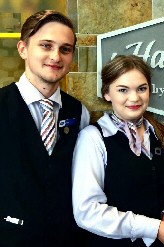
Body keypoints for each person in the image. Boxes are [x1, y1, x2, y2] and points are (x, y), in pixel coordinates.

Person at [72, 54, 164, 247]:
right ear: (107, 94)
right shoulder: (93, 138)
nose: (134, 98)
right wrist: (154, 228)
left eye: (142, 89)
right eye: (123, 90)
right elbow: (87, 211)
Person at [0, 10, 90, 247]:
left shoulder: (80, 113)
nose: (56, 56)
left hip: (67, 239)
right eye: (46, 46)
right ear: (23, 49)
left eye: (65, 49)